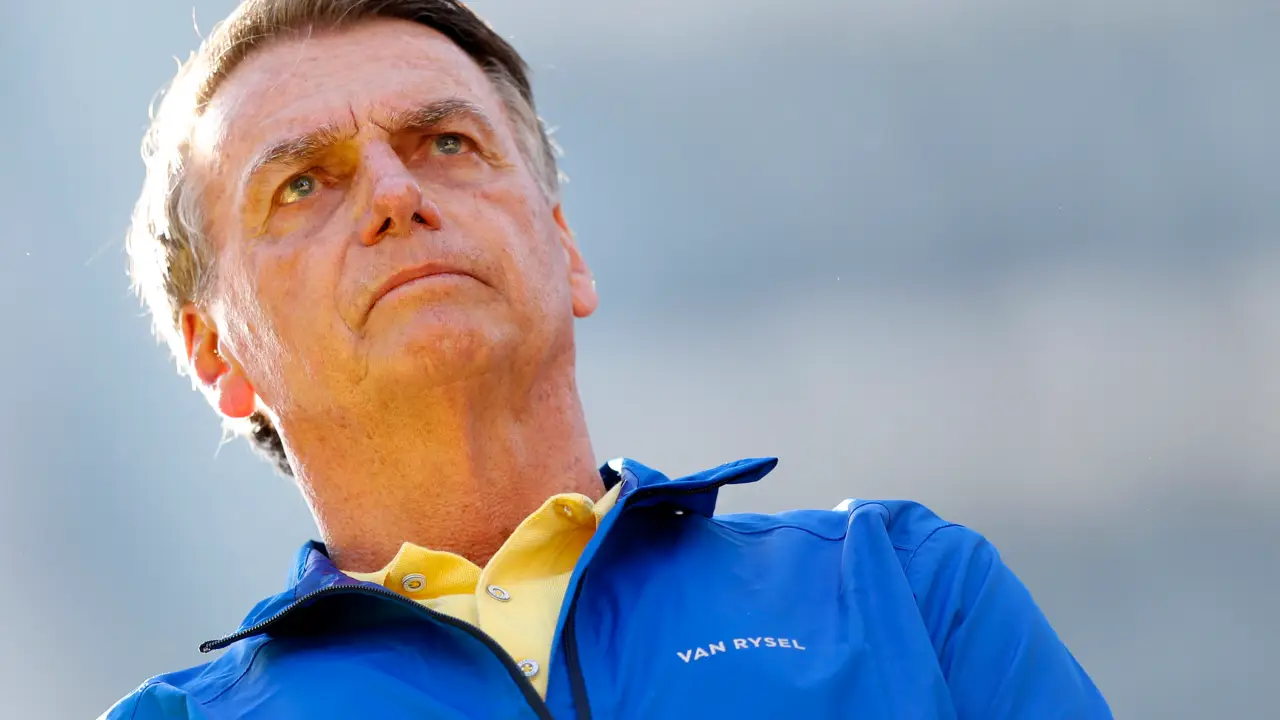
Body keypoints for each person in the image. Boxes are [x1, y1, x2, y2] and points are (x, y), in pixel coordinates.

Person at [103, 0, 1112, 717]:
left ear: (566, 249)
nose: (394, 196)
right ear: (215, 352)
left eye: (446, 143)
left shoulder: (904, 592)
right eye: (302, 184)